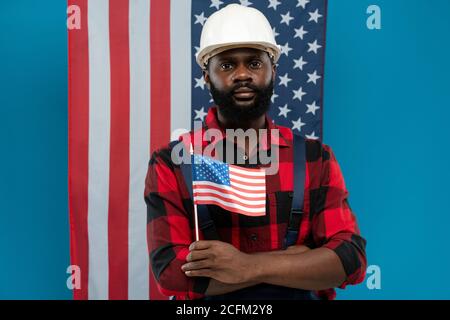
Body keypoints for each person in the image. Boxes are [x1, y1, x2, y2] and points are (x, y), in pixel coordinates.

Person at [144, 4, 366, 300]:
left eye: (254, 63)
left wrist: (247, 267)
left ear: (272, 70)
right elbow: (171, 273)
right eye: (226, 65)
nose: (241, 75)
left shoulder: (315, 158)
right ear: (206, 76)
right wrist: (300, 261)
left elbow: (349, 259)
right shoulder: (173, 162)